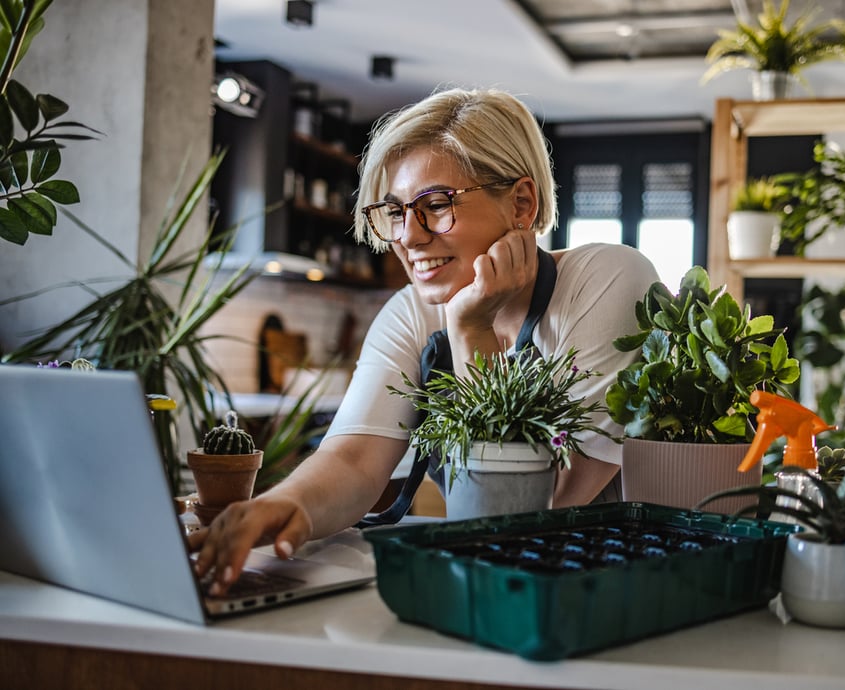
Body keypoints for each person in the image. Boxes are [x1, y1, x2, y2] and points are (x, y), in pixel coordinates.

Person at [190, 87, 660, 595]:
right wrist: (283, 506)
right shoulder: (410, 312)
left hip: (612, 589)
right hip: (486, 589)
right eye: (395, 212)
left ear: (522, 204)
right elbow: (353, 460)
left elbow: (537, 509)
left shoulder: (608, 278)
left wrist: (471, 330)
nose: (408, 237)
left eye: (435, 205)